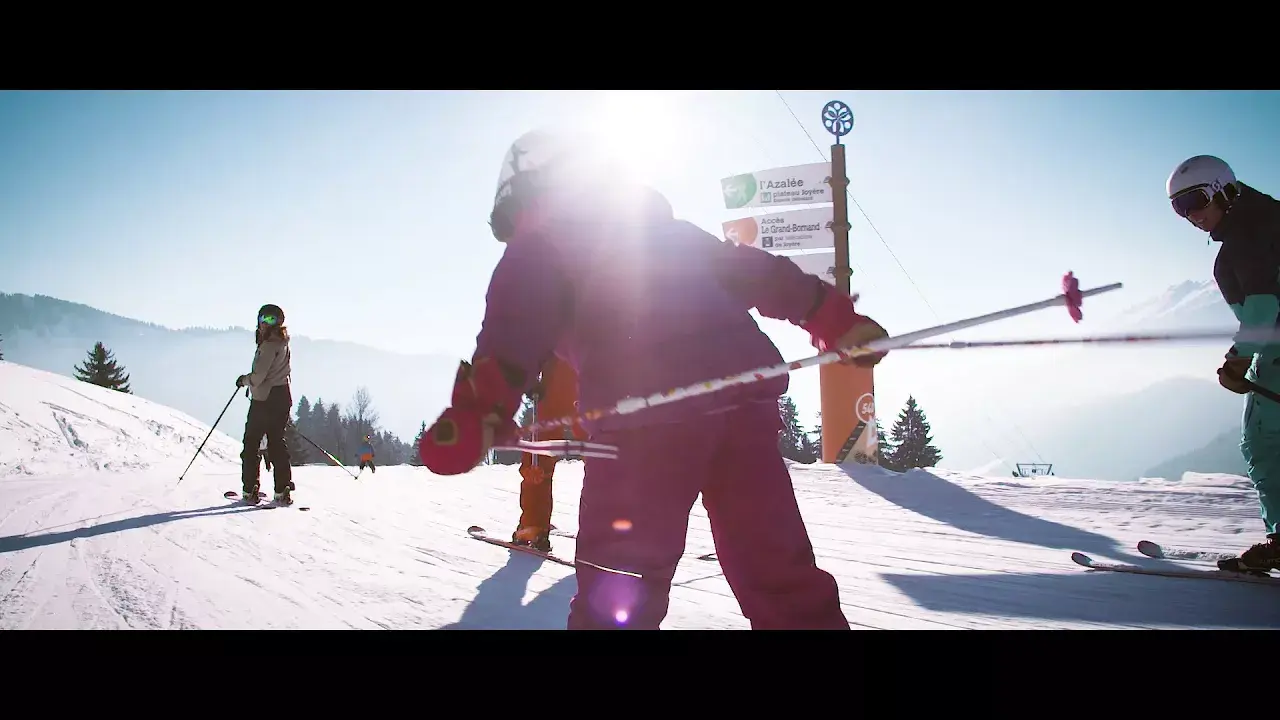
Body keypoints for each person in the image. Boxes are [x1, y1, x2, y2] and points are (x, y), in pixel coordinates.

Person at [419, 129, 890, 629]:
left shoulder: (540, 245)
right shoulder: (674, 233)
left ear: (524, 195)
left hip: (644, 421)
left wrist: (477, 414)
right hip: (743, 409)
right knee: (777, 569)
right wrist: (835, 319)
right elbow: (762, 275)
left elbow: (513, 332)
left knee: (620, 584)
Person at [1167, 154, 1280, 572]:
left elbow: (1264, 306)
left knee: (1264, 442)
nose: (1189, 215)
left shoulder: (1246, 238)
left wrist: (1238, 360)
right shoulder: (1270, 217)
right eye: (1178, 208)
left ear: (1222, 189)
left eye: (1193, 201)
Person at [512, 352, 584, 553]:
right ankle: (602, 534)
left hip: (560, 372)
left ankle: (533, 526)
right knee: (599, 454)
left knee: (540, 451)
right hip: (593, 373)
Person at [236, 303, 295, 505]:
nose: (264, 323)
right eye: (263, 319)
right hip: (282, 396)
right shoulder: (283, 342)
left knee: (251, 443)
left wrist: (244, 380)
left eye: (270, 320)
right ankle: (282, 488)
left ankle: (249, 487)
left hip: (264, 400)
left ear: (278, 322)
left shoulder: (269, 344)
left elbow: (259, 376)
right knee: (277, 442)